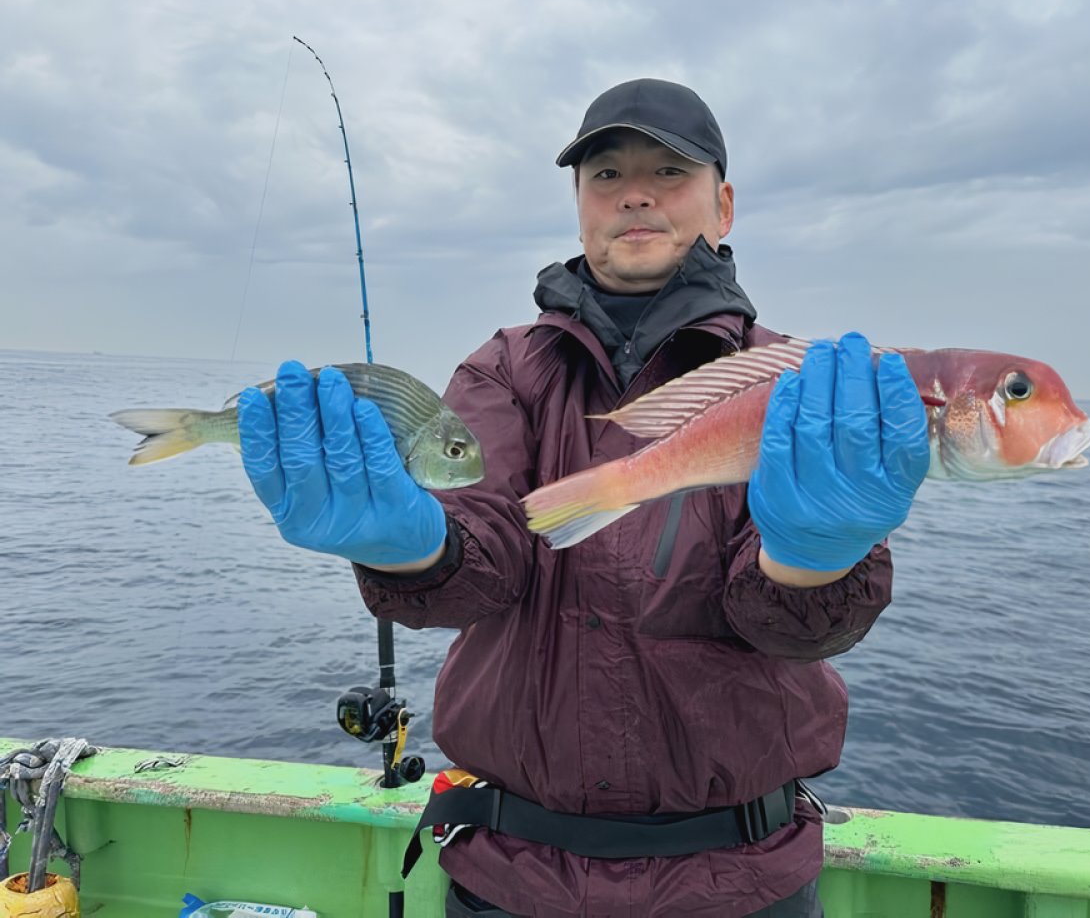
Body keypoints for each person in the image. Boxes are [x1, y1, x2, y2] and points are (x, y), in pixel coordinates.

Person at [237, 78, 930, 917]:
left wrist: (814, 557)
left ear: (726, 203)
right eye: (605, 174)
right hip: (509, 874)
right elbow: (480, 562)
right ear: (578, 205)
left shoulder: (798, 385)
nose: (634, 192)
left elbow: (792, 627)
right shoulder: (503, 369)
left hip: (742, 881)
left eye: (669, 170)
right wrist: (406, 545)